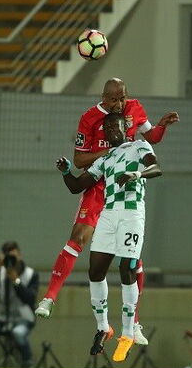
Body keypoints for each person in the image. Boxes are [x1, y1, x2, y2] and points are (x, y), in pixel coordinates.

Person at [34, 77, 178, 347]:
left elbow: (152, 140)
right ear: (104, 97)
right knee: (79, 238)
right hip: (99, 184)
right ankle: (50, 297)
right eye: (115, 99)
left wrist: (161, 126)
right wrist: (109, 153)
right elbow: (78, 160)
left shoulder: (134, 109)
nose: (120, 104)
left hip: (127, 190)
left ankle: (133, 323)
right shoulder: (89, 118)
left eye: (123, 98)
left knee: (132, 258)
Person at [55, 111, 162, 362]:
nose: (112, 131)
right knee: (95, 270)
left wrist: (137, 174)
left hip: (132, 214)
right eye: (108, 128)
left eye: (116, 126)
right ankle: (103, 327)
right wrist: (65, 170)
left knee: (127, 268)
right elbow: (77, 186)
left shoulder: (138, 146)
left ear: (126, 127)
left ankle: (127, 334)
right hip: (109, 213)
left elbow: (156, 168)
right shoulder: (107, 158)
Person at [0, 241, 39, 368]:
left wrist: (16, 280)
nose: (11, 260)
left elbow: (30, 298)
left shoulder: (31, 274)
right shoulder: (0, 273)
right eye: (7, 256)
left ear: (20, 255)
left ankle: (28, 363)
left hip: (23, 318)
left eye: (13, 256)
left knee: (18, 333)